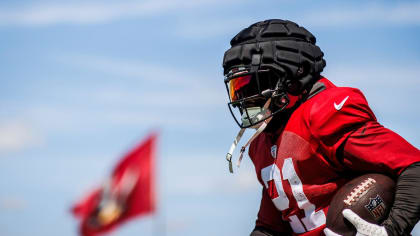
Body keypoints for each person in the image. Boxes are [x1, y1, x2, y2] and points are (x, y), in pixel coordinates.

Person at [222, 19, 420, 236]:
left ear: (294, 75)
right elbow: (270, 228)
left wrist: (392, 230)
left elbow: (414, 166)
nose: (244, 98)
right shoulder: (261, 143)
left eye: (253, 83)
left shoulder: (325, 113)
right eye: (237, 88)